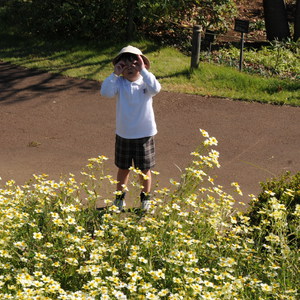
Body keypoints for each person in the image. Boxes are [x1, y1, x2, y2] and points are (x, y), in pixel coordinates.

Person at [100, 45, 161, 211]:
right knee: (123, 168)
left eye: (135, 64)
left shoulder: (147, 82)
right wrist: (114, 74)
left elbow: (156, 89)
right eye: (124, 65)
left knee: (144, 170)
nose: (129, 68)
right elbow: (105, 92)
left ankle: (145, 199)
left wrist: (144, 70)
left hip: (144, 134)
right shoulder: (118, 83)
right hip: (124, 133)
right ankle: (119, 200)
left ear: (143, 66)